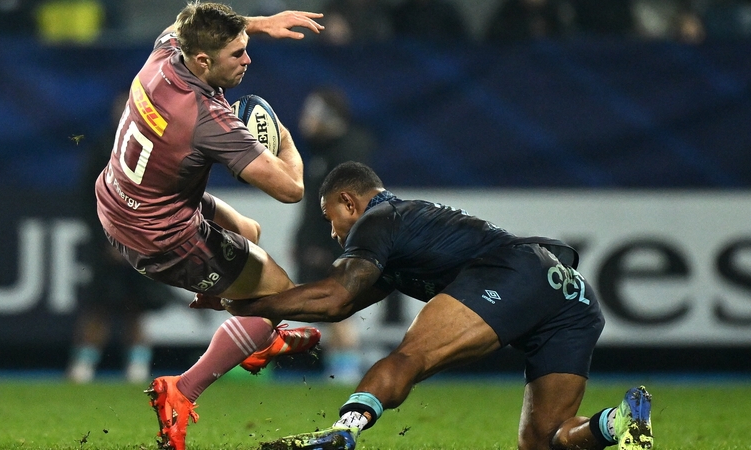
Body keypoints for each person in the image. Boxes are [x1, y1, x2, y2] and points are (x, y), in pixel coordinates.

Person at [215, 161, 654, 450]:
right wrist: (260, 305)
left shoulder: (377, 221)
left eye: (332, 219)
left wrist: (245, 305)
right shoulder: (402, 229)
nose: (333, 233)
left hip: (513, 272)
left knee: (409, 357)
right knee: (543, 440)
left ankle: (343, 432)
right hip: (572, 300)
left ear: (350, 202)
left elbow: (334, 295)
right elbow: (339, 307)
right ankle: (620, 422)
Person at [93, 4, 325, 449]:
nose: (248, 59)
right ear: (203, 61)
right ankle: (182, 389)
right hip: (162, 236)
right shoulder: (209, 119)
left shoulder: (165, 54)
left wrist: (257, 24)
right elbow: (292, 189)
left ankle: (247, 330)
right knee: (278, 295)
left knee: (249, 232)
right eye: (238, 52)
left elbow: (179, 18)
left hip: (124, 199)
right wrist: (283, 136)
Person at [67, 93, 169, 384]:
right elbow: (90, 200)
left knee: (136, 308)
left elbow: (161, 200)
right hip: (107, 247)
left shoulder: (156, 150)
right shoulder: (103, 149)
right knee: (98, 306)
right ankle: (83, 367)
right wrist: (107, 240)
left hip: (141, 246)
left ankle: (138, 370)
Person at [293, 87, 376, 382]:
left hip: (335, 246)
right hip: (320, 244)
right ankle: (338, 369)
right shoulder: (323, 153)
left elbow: (347, 207)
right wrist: (302, 240)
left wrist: (332, 246)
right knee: (329, 312)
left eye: (311, 112)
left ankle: (348, 371)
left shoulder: (347, 153)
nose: (306, 120)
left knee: (339, 308)